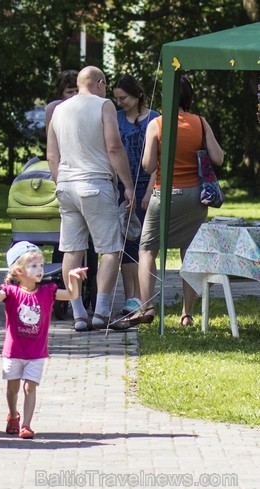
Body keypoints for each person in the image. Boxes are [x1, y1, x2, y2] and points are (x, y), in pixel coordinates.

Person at [126, 76, 224, 328]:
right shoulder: (200, 122)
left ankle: (147, 307)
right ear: (188, 98)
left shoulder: (157, 124)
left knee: (147, 249)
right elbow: (218, 158)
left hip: (165, 194)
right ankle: (186, 314)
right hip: (195, 196)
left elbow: (148, 166)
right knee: (189, 253)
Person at [46, 66, 135, 331]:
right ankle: (102, 312)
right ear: (100, 83)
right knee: (109, 249)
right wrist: (128, 185)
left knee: (72, 250)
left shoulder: (59, 109)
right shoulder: (104, 105)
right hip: (95, 184)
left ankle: (78, 314)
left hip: (66, 186)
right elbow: (114, 146)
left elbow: (52, 155)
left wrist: (59, 180)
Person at [0, 241, 87, 439]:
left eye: (41, 265)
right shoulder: (10, 292)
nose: (40, 270)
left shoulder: (48, 291)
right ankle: (13, 415)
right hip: (13, 351)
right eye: (33, 266)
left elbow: (72, 294)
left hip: (36, 352)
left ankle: (26, 425)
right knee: (13, 388)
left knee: (30, 387)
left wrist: (71, 278)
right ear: (18, 270)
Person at [113, 75, 160, 316]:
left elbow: (160, 157)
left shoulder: (155, 118)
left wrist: (151, 188)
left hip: (146, 184)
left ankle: (145, 295)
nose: (120, 102)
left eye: (124, 98)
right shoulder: (116, 118)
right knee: (126, 241)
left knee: (144, 240)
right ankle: (129, 296)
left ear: (137, 94)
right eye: (117, 98)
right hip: (123, 185)